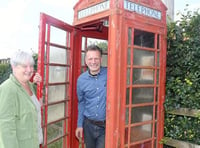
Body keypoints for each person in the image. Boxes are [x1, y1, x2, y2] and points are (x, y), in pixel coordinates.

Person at [0, 51, 43, 148]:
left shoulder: (28, 85)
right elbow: (6, 130)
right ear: (14, 67)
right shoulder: (7, 89)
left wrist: (36, 84)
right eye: (24, 66)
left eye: (31, 66)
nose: (29, 69)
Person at [75, 45, 107, 148]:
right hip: (88, 125)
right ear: (86, 60)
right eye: (90, 59)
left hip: (106, 126)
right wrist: (80, 125)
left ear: (101, 59)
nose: (93, 62)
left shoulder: (110, 74)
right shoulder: (81, 80)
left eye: (96, 58)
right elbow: (81, 102)